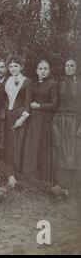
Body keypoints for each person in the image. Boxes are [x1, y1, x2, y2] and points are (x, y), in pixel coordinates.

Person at [22, 60, 59, 183]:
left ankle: (44, 179)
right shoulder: (34, 84)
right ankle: (31, 178)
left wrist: (40, 106)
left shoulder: (53, 84)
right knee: (32, 146)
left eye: (45, 69)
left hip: (45, 120)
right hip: (33, 120)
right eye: (40, 69)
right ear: (37, 71)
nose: (43, 71)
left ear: (49, 71)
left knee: (43, 147)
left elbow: (55, 104)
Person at [52, 59, 81, 193]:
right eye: (67, 65)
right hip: (59, 119)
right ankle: (60, 183)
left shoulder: (79, 83)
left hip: (73, 120)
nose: (69, 68)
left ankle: (70, 185)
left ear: (76, 68)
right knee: (59, 149)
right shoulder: (60, 83)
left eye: (72, 66)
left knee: (71, 151)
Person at [3, 55, 31, 174]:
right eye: (11, 66)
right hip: (8, 115)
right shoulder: (6, 80)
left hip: (19, 115)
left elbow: (28, 102)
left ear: (21, 67)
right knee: (8, 144)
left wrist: (22, 118)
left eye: (16, 66)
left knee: (17, 144)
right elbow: (4, 99)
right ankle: (9, 173)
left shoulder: (26, 81)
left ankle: (18, 173)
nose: (13, 68)